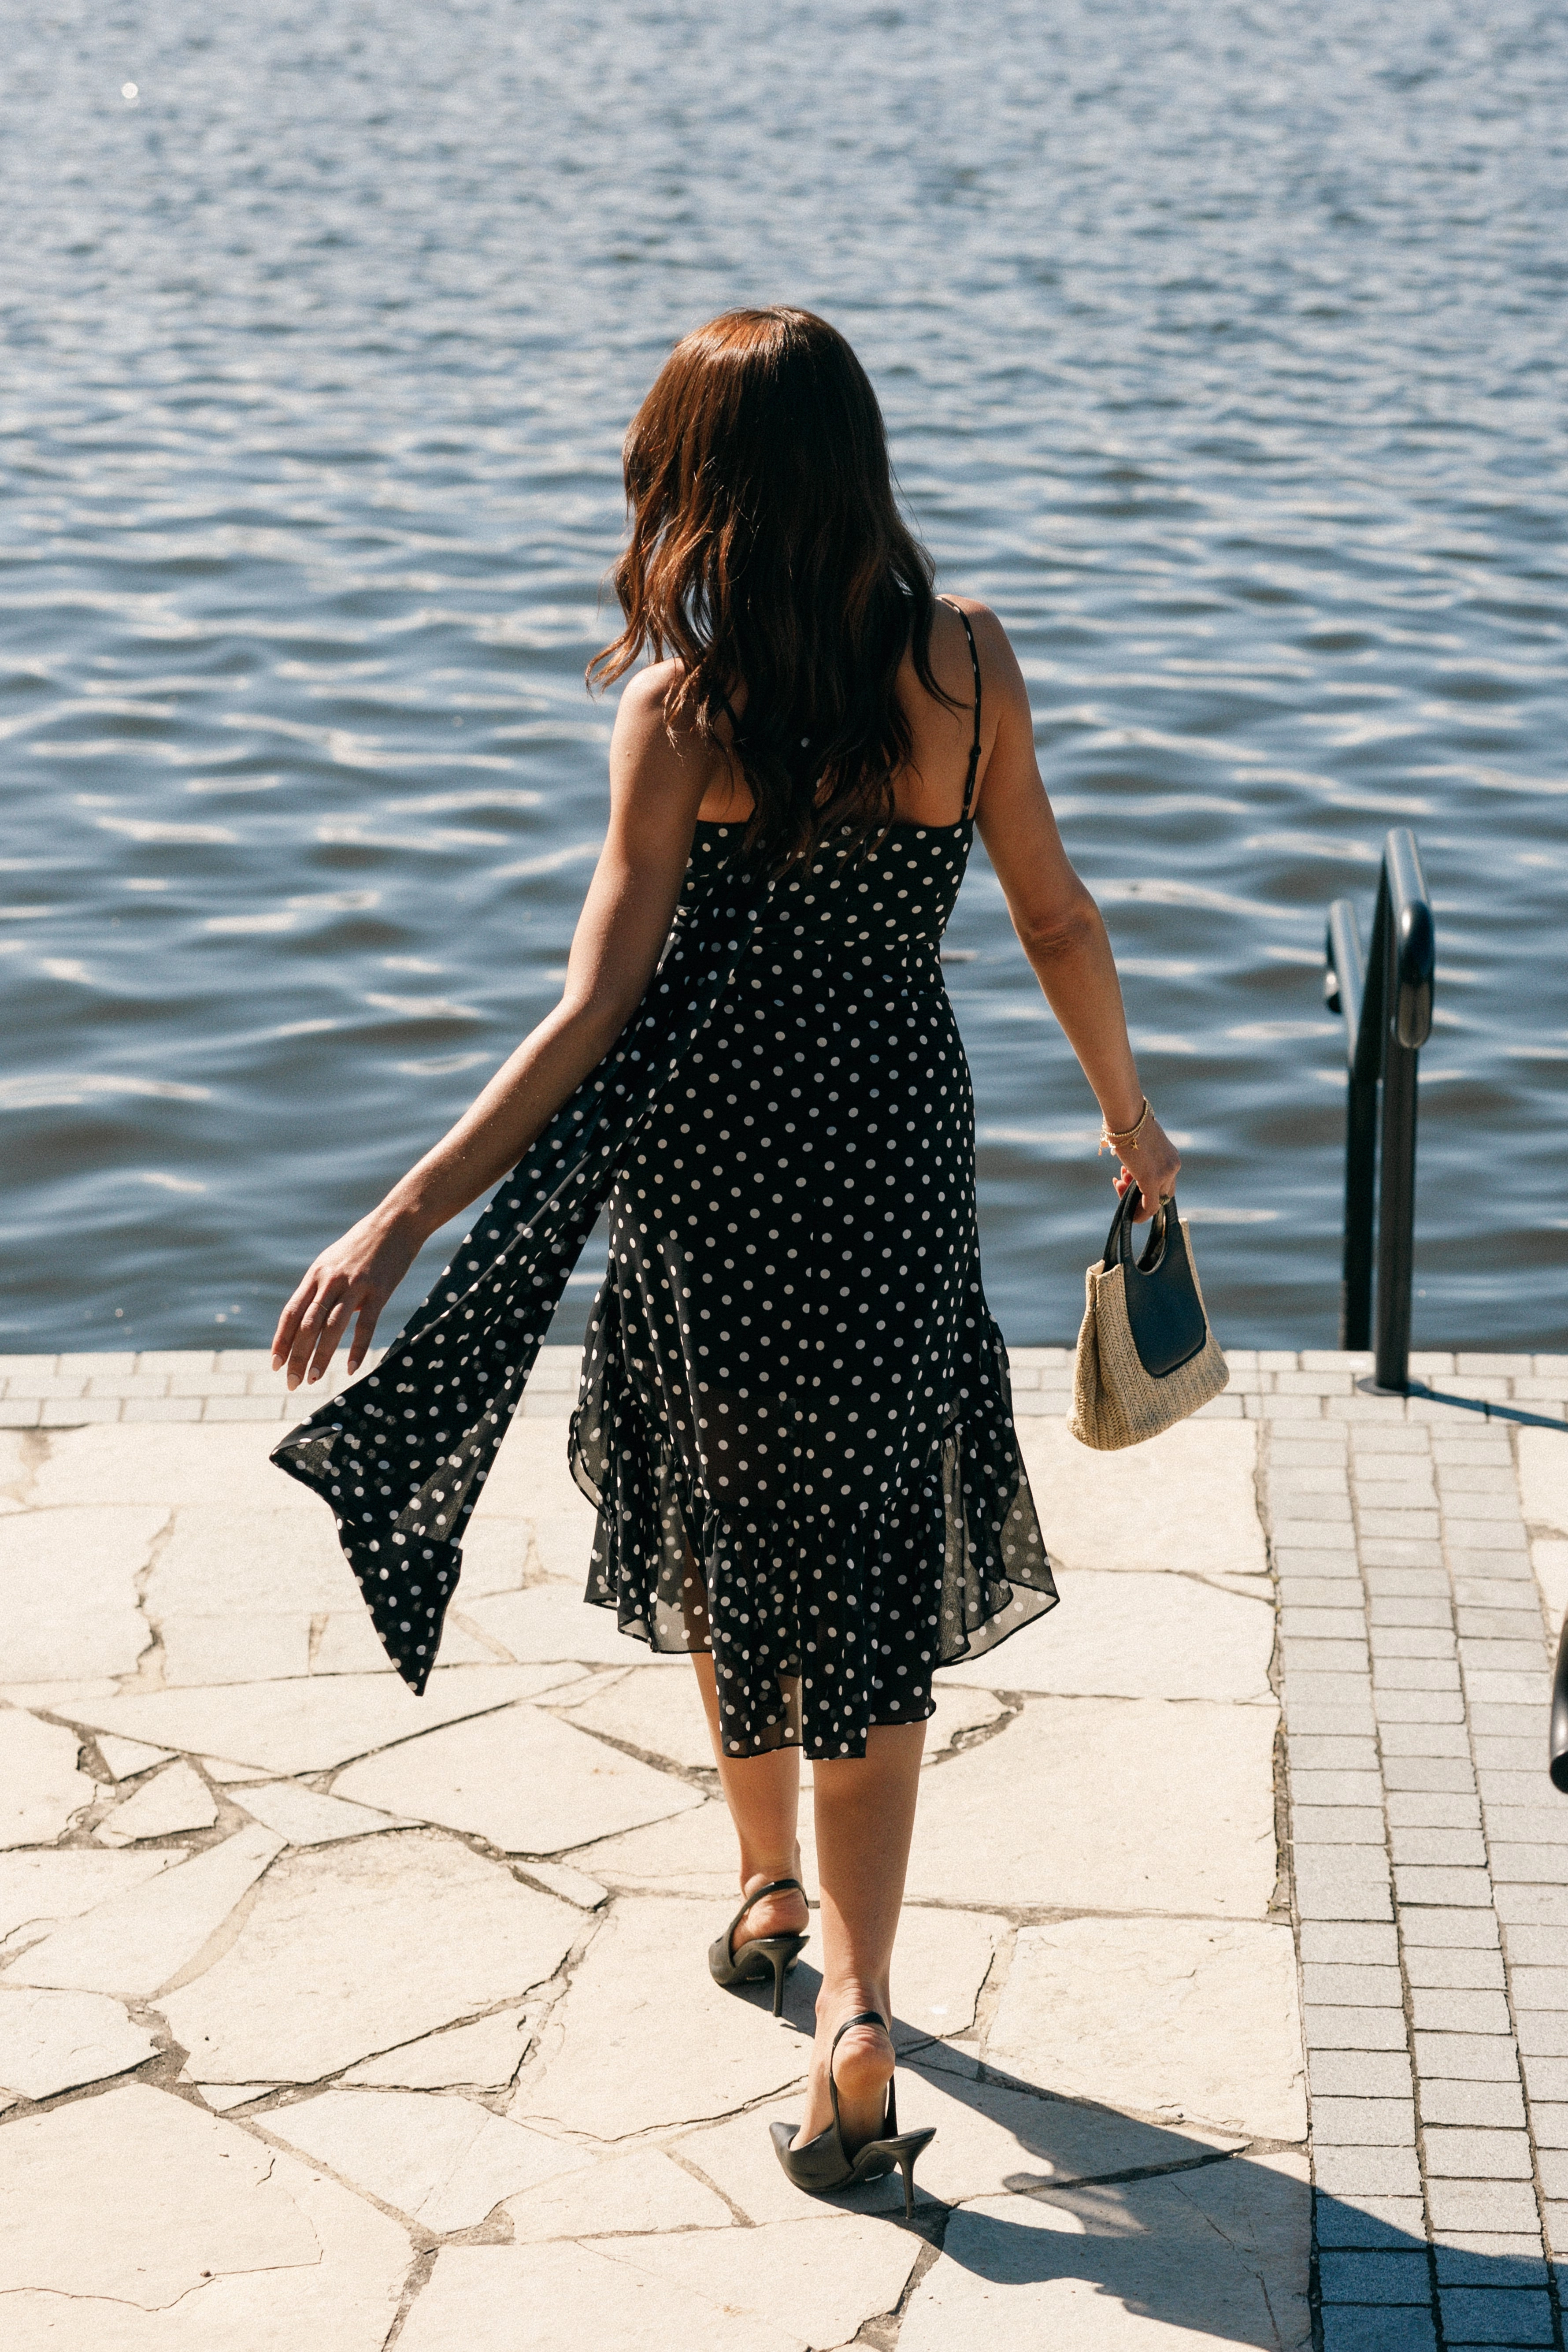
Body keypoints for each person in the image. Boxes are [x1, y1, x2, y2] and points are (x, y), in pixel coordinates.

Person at [270, 307, 1181, 2213]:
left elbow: (593, 1006)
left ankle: (779, 1896)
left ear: (703, 494)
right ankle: (848, 1970)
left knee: (730, 1529)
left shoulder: (681, 715)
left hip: (710, 1191)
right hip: (895, 1176)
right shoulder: (967, 667)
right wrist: (1128, 1120)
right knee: (869, 1568)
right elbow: (1057, 914)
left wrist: (403, 1211)